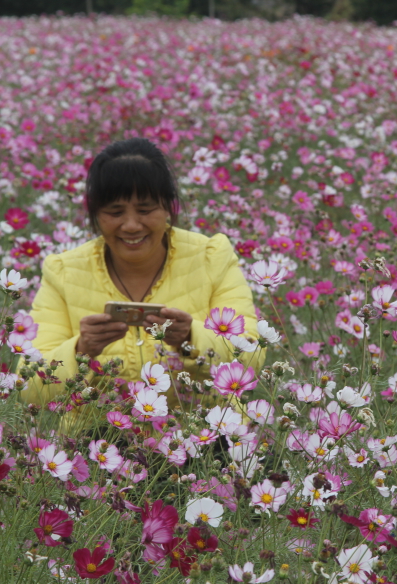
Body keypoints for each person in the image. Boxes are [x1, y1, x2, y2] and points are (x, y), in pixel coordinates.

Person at [23, 138, 261, 435]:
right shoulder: (64, 272)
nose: (132, 225)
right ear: (95, 215)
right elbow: (28, 388)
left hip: (206, 437)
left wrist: (190, 337)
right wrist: (80, 349)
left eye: (146, 210)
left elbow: (253, 355)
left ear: (168, 207)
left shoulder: (211, 257)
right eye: (115, 212)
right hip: (96, 444)